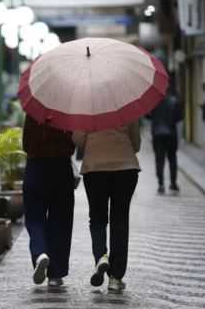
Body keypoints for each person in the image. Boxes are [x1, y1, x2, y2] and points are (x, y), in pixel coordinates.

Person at [72, 121, 141, 293]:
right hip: (126, 168)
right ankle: (116, 278)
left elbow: (78, 139)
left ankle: (101, 257)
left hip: (94, 168)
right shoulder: (126, 105)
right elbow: (137, 144)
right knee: (120, 220)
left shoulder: (87, 105)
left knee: (97, 218)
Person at [22, 115, 75, 287]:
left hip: (36, 167)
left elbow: (25, 144)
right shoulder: (66, 111)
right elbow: (72, 144)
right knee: (61, 220)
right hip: (61, 169)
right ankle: (55, 274)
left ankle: (40, 253)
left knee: (34, 217)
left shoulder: (34, 111)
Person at [150, 89, 182, 193]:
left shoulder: (154, 101)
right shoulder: (174, 101)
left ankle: (161, 184)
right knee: (172, 159)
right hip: (171, 134)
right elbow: (179, 118)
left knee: (159, 160)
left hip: (157, 134)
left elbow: (148, 116)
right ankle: (173, 183)